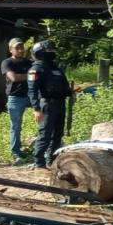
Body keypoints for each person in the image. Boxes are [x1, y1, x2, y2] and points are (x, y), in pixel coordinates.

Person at [27, 39, 73, 168]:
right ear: (40, 53)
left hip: (60, 104)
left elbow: (63, 85)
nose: (52, 53)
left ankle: (52, 160)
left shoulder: (56, 68)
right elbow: (32, 90)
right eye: (49, 51)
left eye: (53, 50)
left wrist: (69, 91)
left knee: (58, 135)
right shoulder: (35, 69)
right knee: (45, 135)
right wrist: (36, 109)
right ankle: (39, 162)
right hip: (47, 105)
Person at [0, 38, 32, 161]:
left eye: (21, 47)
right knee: (16, 126)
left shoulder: (28, 63)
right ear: (10, 50)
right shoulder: (7, 62)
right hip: (15, 98)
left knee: (44, 118)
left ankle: (42, 148)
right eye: (17, 48)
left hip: (30, 96)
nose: (20, 50)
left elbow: (37, 76)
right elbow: (13, 78)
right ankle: (16, 152)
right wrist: (31, 76)